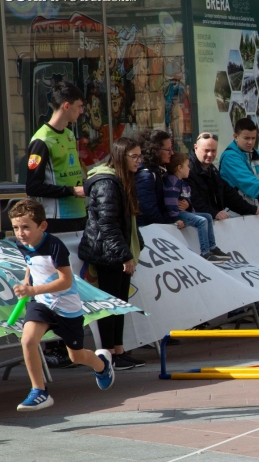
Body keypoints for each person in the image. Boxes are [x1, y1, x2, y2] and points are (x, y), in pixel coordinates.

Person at [10, 199, 115, 411]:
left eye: (26, 227)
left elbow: (65, 281)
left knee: (75, 356)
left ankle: (102, 365)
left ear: (42, 226)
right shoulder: (22, 244)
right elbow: (30, 264)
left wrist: (32, 290)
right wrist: (26, 283)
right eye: (15, 228)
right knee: (28, 339)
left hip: (67, 308)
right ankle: (39, 391)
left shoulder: (55, 246)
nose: (20, 233)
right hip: (42, 305)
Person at [25, 81, 88, 369]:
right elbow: (33, 185)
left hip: (77, 215)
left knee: (74, 282)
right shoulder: (42, 140)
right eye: (78, 106)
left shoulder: (69, 134)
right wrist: (69, 191)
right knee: (55, 281)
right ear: (66, 105)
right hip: (57, 218)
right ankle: (55, 346)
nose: (81, 111)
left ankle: (70, 341)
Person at [78, 137, 147, 370]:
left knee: (119, 302)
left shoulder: (120, 178)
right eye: (134, 156)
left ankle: (119, 350)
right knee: (109, 304)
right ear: (120, 156)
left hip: (116, 250)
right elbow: (107, 224)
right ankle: (108, 353)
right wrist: (124, 255)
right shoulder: (107, 182)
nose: (139, 161)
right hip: (107, 253)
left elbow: (125, 220)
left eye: (140, 156)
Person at [164, 152, 231, 263]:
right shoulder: (173, 182)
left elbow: (188, 201)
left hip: (184, 212)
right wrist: (175, 218)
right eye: (187, 166)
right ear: (179, 168)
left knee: (208, 216)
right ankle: (205, 253)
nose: (189, 169)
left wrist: (189, 207)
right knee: (202, 220)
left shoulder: (183, 183)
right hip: (178, 214)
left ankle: (212, 247)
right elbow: (170, 202)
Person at [185, 133, 259, 220]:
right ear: (196, 147)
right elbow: (194, 201)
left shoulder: (212, 170)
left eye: (213, 151)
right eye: (206, 150)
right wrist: (214, 213)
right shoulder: (187, 171)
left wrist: (252, 209)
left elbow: (229, 195)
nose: (210, 154)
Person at [135, 129, 188, 228]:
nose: (171, 153)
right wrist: (170, 224)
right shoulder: (146, 175)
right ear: (155, 150)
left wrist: (185, 203)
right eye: (168, 150)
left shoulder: (158, 171)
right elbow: (149, 210)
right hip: (148, 231)